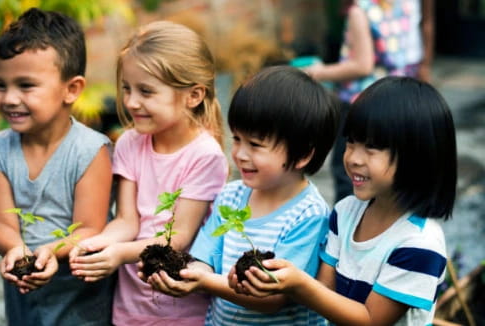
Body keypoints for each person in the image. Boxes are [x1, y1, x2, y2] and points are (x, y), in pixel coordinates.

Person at [234, 76, 456, 326]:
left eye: (371, 147)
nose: (353, 158)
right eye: (350, 142)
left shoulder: (419, 244)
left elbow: (370, 320)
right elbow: (325, 293)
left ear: (417, 157)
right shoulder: (346, 212)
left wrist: (299, 284)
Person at [143, 65, 339, 325]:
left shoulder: (309, 215)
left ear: (303, 154)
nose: (240, 154)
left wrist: (206, 283)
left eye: (255, 145)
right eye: (236, 139)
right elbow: (205, 259)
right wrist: (186, 275)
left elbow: (271, 298)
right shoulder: (231, 196)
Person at [68, 21, 229, 326]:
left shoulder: (205, 156)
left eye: (146, 91)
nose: (131, 102)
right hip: (130, 306)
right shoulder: (130, 142)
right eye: (127, 88)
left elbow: (177, 240)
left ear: (193, 95)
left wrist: (118, 255)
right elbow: (128, 220)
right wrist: (99, 245)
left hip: (181, 309)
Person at [0, 7, 114, 325]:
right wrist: (17, 251)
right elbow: (1, 225)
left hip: (80, 290)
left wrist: (48, 253)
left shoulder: (89, 150)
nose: (10, 98)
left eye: (26, 86)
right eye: (1, 85)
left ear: (72, 89)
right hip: (24, 281)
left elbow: (89, 228)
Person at [306, 0, 419, 203]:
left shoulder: (360, 12)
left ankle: (347, 228)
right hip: (393, 99)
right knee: (382, 168)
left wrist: (317, 72)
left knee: (347, 171)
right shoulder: (403, 5)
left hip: (360, 103)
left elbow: (362, 65)